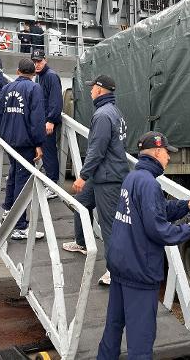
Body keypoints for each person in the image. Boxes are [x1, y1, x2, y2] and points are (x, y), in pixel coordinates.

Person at [97, 131, 190, 359]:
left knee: (113, 328)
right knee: (141, 339)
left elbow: (155, 212)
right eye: (167, 153)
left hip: (121, 265)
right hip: (139, 270)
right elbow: (158, 229)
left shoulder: (133, 177)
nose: (169, 157)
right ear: (158, 152)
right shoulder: (148, 183)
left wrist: (187, 204)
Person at [61, 75, 129, 286]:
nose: (90, 91)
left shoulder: (102, 115)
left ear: (100, 90)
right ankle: (82, 242)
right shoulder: (115, 112)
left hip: (108, 177)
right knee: (81, 203)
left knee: (108, 225)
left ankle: (114, 270)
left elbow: (96, 150)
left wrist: (83, 176)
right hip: (106, 172)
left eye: (92, 88)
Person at [0, 58, 46, 240]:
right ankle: (19, 225)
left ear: (17, 72)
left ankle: (8, 210)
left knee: (14, 173)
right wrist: (38, 144)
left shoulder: (6, 88)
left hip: (9, 140)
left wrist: (2, 135)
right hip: (25, 142)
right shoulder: (34, 89)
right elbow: (37, 119)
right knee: (22, 180)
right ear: (33, 74)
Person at [32, 49, 63, 194]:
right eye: (34, 62)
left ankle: (53, 186)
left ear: (45, 60)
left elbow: (56, 101)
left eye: (39, 61)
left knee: (49, 153)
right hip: (41, 121)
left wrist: (51, 120)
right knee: (45, 152)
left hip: (48, 123)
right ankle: (49, 181)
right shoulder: (39, 76)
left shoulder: (51, 76)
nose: (37, 64)